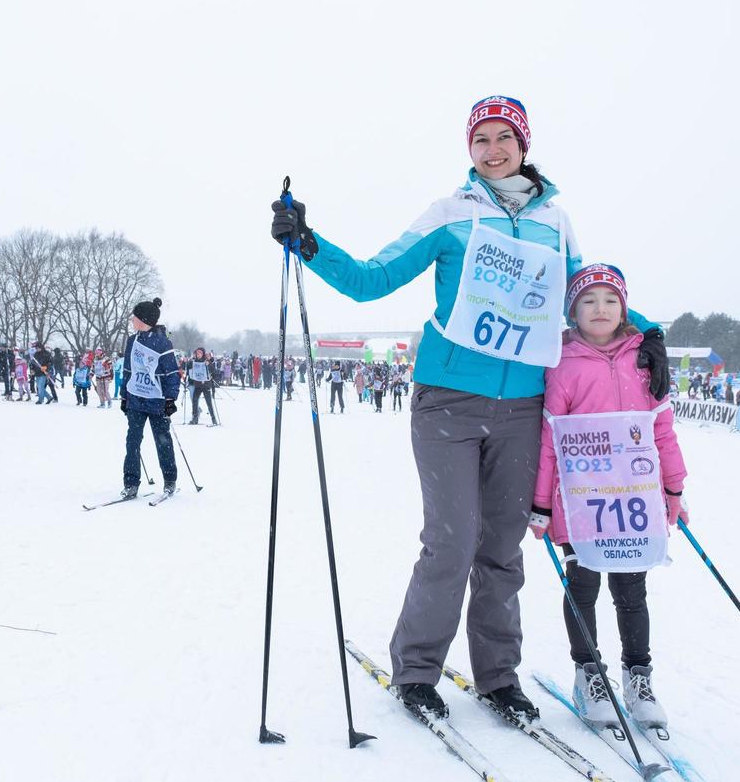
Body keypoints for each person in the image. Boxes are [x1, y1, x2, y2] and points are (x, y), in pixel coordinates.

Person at [270, 95, 668, 719]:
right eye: (479, 140)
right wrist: (310, 245)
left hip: (523, 409)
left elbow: (584, 295)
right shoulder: (450, 213)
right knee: (451, 543)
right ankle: (418, 670)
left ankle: (497, 677)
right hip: (449, 402)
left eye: (502, 137)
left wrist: (648, 332)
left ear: (523, 144)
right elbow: (374, 279)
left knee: (502, 549)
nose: (491, 149)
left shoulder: (555, 222)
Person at [528, 265, 685, 727]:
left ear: (625, 309)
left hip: (633, 497)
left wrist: (673, 486)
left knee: (631, 590)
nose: (601, 309)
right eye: (589, 301)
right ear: (573, 311)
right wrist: (540, 504)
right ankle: (588, 674)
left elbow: (663, 430)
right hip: (580, 502)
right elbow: (549, 437)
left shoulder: (645, 359)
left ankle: (639, 678)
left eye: (611, 301)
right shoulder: (562, 361)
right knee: (583, 586)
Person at [120, 298, 179, 498]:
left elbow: (171, 373)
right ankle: (131, 483)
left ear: (143, 319)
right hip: (136, 399)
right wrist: (124, 396)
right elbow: (128, 369)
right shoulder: (132, 340)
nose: (131, 319)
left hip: (157, 402)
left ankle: (170, 480)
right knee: (132, 442)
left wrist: (171, 399)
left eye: (134, 317)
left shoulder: (163, 343)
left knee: (163, 442)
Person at [187, 347, 217, 425]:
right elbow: (188, 367)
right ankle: (195, 418)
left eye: (200, 353)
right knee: (195, 401)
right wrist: (188, 361)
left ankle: (213, 419)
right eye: (197, 353)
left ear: (203, 354)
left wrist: (209, 364)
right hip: (197, 385)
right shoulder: (194, 361)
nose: (198, 355)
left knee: (209, 402)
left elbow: (213, 370)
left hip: (206, 385)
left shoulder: (206, 361)